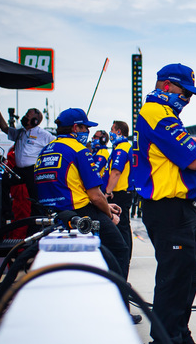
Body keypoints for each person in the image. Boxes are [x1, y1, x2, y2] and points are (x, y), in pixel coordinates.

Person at [133, 63, 196, 344]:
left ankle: (180, 338)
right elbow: (195, 160)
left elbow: (195, 151)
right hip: (167, 209)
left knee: (187, 275)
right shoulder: (157, 114)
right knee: (173, 277)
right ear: (166, 86)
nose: (187, 100)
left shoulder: (166, 116)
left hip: (179, 210)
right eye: (184, 92)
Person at [33, 108, 131, 281]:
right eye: (86, 128)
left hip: (50, 213)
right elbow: (95, 195)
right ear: (76, 128)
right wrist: (109, 215)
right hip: (79, 212)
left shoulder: (45, 150)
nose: (88, 132)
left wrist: (105, 205)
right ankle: (118, 295)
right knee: (119, 249)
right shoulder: (79, 150)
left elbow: (67, 186)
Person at [105, 120, 140, 323]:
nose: (110, 133)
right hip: (125, 196)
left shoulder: (121, 148)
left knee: (121, 242)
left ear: (118, 131)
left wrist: (107, 193)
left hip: (119, 197)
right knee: (122, 240)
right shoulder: (126, 146)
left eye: (112, 130)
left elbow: (116, 172)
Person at [0, 107, 53, 221]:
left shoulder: (44, 134)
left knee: (35, 198)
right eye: (25, 115)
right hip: (19, 170)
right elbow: (4, 128)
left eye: (28, 117)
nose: (24, 118)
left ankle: (36, 221)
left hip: (33, 170)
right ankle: (7, 212)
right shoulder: (20, 132)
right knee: (2, 181)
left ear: (35, 121)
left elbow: (57, 145)